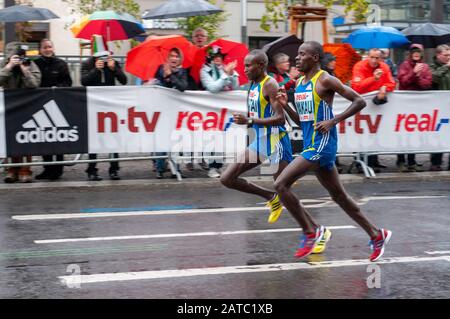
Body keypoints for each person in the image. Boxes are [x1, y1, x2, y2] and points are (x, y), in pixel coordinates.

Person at [274, 41, 392, 261]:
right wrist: (285, 105)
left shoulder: (326, 79)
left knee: (280, 184)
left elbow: (359, 102)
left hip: (323, 145)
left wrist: (333, 120)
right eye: (297, 55)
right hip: (311, 142)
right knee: (339, 197)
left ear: (315, 58)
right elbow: (303, 122)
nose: (297, 58)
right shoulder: (300, 83)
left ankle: (312, 231)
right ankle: (377, 235)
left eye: (302, 54)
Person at [220, 50, 293, 224]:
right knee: (227, 179)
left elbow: (280, 118)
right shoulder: (253, 83)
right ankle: (270, 197)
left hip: (277, 141)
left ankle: (315, 230)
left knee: (285, 191)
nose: (244, 69)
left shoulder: (270, 84)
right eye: (244, 65)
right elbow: (258, 111)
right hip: (260, 140)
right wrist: (246, 120)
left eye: (248, 65)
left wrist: (250, 120)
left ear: (261, 66)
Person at [81, 49, 127, 181]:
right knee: (94, 139)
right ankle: (92, 170)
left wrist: (114, 69)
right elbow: (84, 81)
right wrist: (95, 70)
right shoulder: (87, 63)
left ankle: (114, 169)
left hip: (110, 107)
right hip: (93, 105)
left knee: (113, 137)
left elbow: (123, 80)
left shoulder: (112, 62)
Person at [0, 42, 41, 183]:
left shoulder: (30, 64)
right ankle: (12, 169)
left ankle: (25, 170)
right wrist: (9, 67)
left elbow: (34, 84)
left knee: (26, 138)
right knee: (11, 138)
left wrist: (25, 70)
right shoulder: (4, 64)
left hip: (27, 106)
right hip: (9, 106)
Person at [34, 39, 73, 181]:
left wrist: (58, 87)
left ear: (53, 48)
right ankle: (47, 169)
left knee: (57, 137)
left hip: (58, 105)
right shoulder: (35, 64)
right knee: (44, 138)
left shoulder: (61, 64)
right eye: (44, 47)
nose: (47, 49)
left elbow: (68, 82)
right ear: (40, 50)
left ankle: (58, 169)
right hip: (41, 105)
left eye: (49, 47)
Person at [351, 48, 396, 172]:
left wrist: (384, 88)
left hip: (376, 106)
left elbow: (391, 83)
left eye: (377, 58)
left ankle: (374, 161)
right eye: (372, 57)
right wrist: (374, 79)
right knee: (361, 133)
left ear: (381, 59)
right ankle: (360, 163)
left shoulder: (384, 67)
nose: (374, 60)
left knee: (375, 133)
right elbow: (356, 87)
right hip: (361, 106)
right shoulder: (359, 66)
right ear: (367, 56)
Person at [200, 46, 239, 178]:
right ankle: (212, 167)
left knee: (223, 137)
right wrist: (224, 75)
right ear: (210, 58)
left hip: (225, 109)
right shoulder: (205, 71)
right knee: (212, 138)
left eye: (220, 57)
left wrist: (231, 73)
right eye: (215, 57)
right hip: (210, 110)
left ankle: (219, 166)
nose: (218, 59)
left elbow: (236, 86)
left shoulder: (225, 69)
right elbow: (212, 88)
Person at [396, 43, 432, 172]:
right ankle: (400, 161)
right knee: (402, 134)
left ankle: (412, 161)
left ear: (421, 53)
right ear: (410, 53)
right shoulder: (404, 66)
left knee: (414, 134)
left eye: (418, 51)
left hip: (418, 106)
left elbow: (427, 84)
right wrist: (413, 73)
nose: (416, 53)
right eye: (413, 51)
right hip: (404, 105)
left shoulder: (425, 67)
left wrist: (417, 76)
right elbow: (403, 81)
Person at [153, 48, 188, 179]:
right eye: (171, 56)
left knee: (176, 141)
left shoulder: (183, 72)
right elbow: (157, 86)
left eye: (176, 56)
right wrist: (164, 76)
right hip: (162, 110)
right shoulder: (160, 69)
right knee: (162, 139)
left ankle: (176, 169)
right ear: (167, 58)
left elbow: (182, 86)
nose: (174, 58)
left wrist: (170, 76)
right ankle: (160, 168)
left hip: (177, 111)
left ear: (180, 59)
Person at [429, 44, 450, 171]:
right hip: (438, 107)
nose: (448, 57)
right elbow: (432, 78)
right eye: (446, 55)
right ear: (438, 55)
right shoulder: (431, 66)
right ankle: (435, 162)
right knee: (439, 134)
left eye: (449, 55)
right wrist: (446, 67)